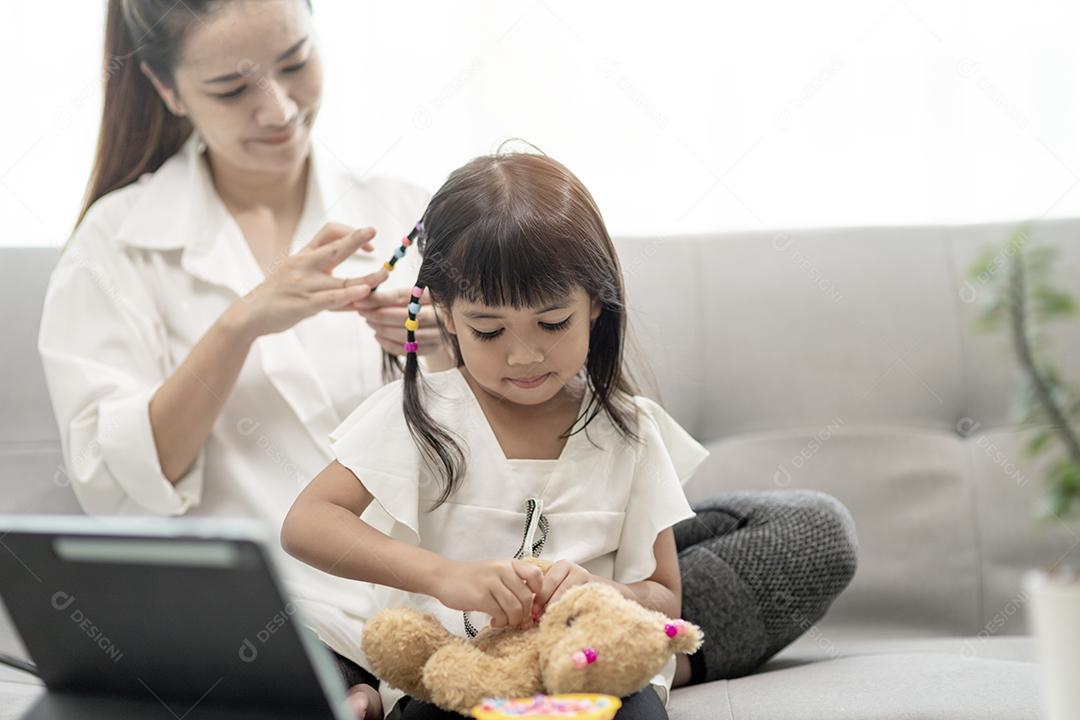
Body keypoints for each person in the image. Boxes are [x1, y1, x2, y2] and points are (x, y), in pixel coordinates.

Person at [281, 152, 860, 719]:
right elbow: (307, 523)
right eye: (489, 330)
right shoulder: (421, 416)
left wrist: (602, 594)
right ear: (445, 314)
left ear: (596, 306)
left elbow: (663, 598)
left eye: (553, 323)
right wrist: (447, 577)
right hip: (457, 684)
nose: (525, 354)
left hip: (586, 679)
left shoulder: (629, 430)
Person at [38, 2, 453, 716]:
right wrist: (241, 323)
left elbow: (535, 418)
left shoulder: (416, 212)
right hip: (263, 626)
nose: (280, 108)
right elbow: (118, 483)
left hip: (438, 600)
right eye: (232, 89)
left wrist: (458, 351)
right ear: (167, 91)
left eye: (295, 62)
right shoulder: (116, 247)